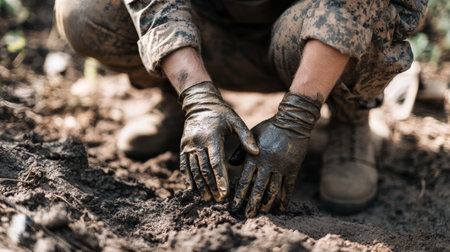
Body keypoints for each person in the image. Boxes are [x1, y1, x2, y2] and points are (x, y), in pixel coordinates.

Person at [54, 0, 428, 217]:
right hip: (208, 29)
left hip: (309, 34)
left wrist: (296, 117)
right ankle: (178, 102)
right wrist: (196, 97)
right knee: (85, 11)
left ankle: (349, 117)